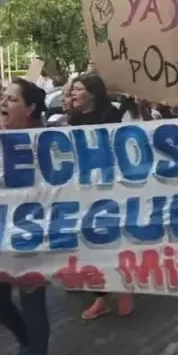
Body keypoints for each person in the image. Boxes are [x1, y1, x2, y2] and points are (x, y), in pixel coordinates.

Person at [0, 77, 52, 355]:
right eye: (3, 98)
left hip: (33, 237)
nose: (5, 103)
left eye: (12, 98)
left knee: (33, 305)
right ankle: (27, 343)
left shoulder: (49, 142)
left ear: (32, 108)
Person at [71, 74, 130, 320]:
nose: (73, 93)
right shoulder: (72, 119)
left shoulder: (111, 116)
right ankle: (102, 296)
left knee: (114, 239)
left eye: (78, 89)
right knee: (91, 241)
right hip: (84, 188)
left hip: (110, 187)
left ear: (93, 93)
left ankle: (124, 286)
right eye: (72, 90)